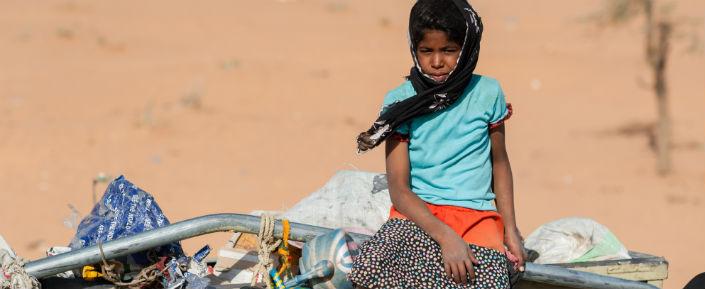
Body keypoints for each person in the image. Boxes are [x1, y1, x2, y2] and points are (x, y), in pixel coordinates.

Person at [350, 0, 525, 288]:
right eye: (426, 51)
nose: (436, 62)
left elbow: (500, 163)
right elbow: (399, 189)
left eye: (449, 50)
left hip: (477, 221)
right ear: (413, 49)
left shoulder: (488, 92)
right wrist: (445, 237)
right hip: (418, 216)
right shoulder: (400, 102)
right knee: (367, 270)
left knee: (486, 281)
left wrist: (511, 230)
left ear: (467, 47)